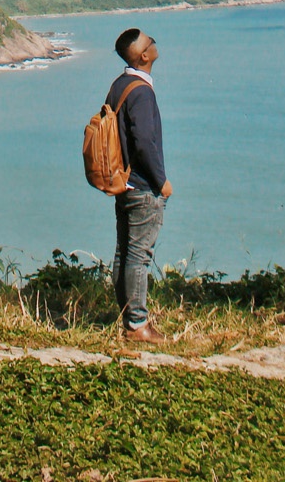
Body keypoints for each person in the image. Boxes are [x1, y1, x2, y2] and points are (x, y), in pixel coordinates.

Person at [107, 26, 172, 342]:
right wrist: (161, 182)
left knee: (125, 252)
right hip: (142, 186)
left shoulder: (120, 85)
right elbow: (145, 142)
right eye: (151, 41)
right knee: (139, 255)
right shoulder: (142, 92)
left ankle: (127, 318)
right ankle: (137, 325)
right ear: (144, 55)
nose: (155, 42)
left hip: (122, 184)